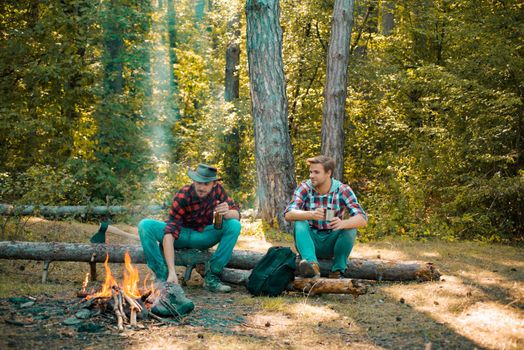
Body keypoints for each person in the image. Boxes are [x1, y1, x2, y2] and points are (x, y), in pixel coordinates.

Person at [138, 163, 241, 299]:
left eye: (206, 184)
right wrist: (172, 271)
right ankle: (162, 277)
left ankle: (212, 276)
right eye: (199, 183)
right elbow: (170, 233)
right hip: (180, 235)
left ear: (214, 184)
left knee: (234, 225)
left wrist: (228, 212)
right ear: (193, 180)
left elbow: (237, 214)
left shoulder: (219, 191)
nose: (202, 187)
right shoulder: (183, 195)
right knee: (145, 225)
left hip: (203, 236)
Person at [284, 155, 367, 279]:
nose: (311, 175)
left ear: (328, 173)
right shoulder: (304, 188)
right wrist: (310, 214)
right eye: (310, 172)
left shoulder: (342, 190)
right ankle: (312, 266)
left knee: (351, 227)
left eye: (316, 172)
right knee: (300, 222)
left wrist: (342, 223)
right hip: (310, 242)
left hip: (332, 243)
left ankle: (338, 270)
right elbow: (288, 214)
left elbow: (362, 219)